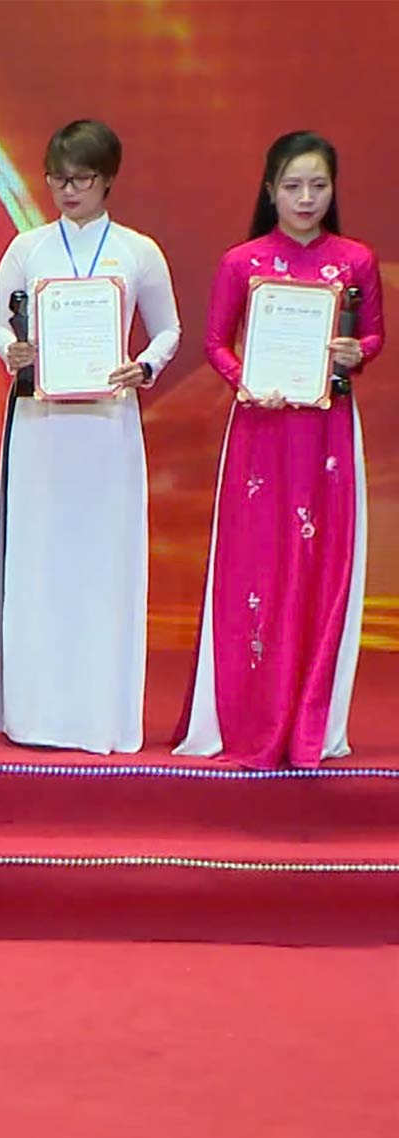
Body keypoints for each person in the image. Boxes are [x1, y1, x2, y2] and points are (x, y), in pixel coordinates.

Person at [174, 131, 383, 767]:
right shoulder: (243, 261)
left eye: (319, 185)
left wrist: (357, 352)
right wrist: (247, 382)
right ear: (270, 191)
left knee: (322, 563)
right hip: (260, 433)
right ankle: (244, 711)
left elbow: (372, 336)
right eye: (293, 186)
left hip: (326, 432)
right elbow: (215, 343)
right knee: (254, 565)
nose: (306, 198)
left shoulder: (355, 260)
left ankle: (314, 716)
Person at [0, 120, 182, 754]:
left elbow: (169, 330)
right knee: (38, 560)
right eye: (57, 178)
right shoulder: (28, 247)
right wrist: (9, 348)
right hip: (40, 422)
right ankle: (35, 715)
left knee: (102, 561)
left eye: (81, 179)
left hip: (106, 422)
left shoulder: (138, 251)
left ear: (108, 179)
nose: (67, 190)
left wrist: (143, 365)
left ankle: (100, 715)